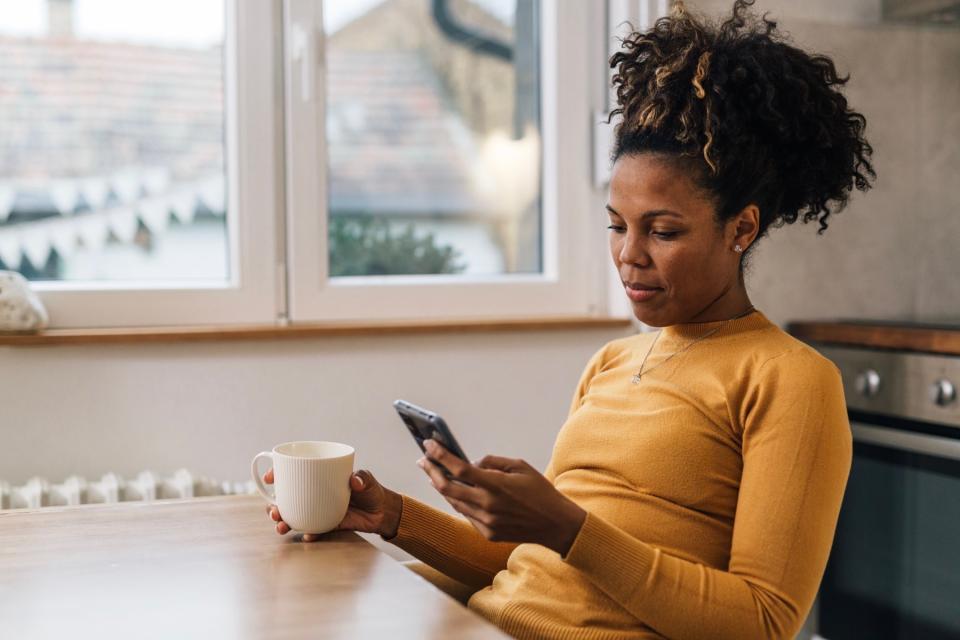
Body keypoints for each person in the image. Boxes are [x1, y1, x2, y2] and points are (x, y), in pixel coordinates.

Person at [265, 1, 875, 637]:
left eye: (663, 231)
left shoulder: (789, 380)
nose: (629, 256)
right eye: (616, 226)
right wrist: (388, 514)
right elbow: (521, 567)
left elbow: (763, 620)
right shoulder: (613, 362)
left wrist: (565, 525)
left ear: (741, 228)